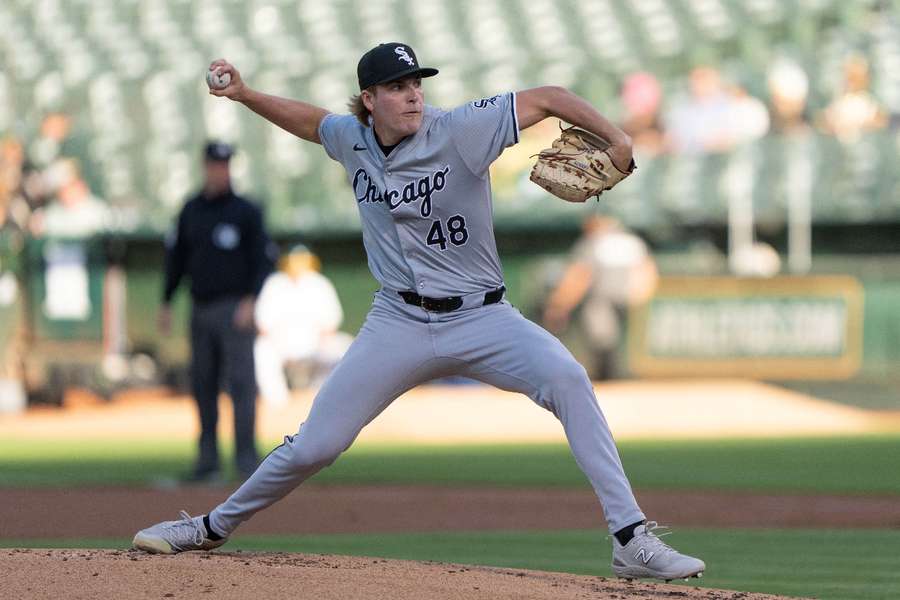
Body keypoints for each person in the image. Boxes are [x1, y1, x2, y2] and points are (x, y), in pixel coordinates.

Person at [133, 42, 705, 582]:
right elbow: (311, 123)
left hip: (483, 317)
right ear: (368, 101)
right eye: (396, 86)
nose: (413, 94)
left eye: (416, 83)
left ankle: (630, 539)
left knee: (568, 378)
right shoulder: (350, 137)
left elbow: (551, 96)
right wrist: (246, 94)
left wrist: (617, 137)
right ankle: (208, 527)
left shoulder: (461, 129)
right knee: (315, 445)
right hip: (397, 322)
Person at [158, 141, 274, 483]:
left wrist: (251, 300)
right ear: (204, 166)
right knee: (203, 384)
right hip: (200, 307)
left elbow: (263, 261)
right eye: (214, 165)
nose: (219, 171)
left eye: (224, 165)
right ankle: (207, 462)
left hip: (234, 307)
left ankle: (246, 461)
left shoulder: (246, 211)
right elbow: (176, 259)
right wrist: (166, 301)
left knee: (241, 385)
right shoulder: (191, 210)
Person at [542, 215, 658, 381]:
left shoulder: (593, 243)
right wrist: (641, 293)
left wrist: (560, 304)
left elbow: (580, 275)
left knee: (602, 342)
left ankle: (607, 377)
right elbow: (647, 271)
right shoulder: (632, 241)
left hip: (602, 299)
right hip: (628, 298)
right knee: (619, 343)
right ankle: (619, 376)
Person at [254, 243, 351, 406]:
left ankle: (322, 396)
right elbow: (263, 325)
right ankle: (278, 403)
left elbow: (330, 325)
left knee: (345, 348)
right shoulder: (275, 283)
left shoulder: (319, 283)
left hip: (314, 343)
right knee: (261, 349)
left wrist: (321, 342)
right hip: (281, 344)